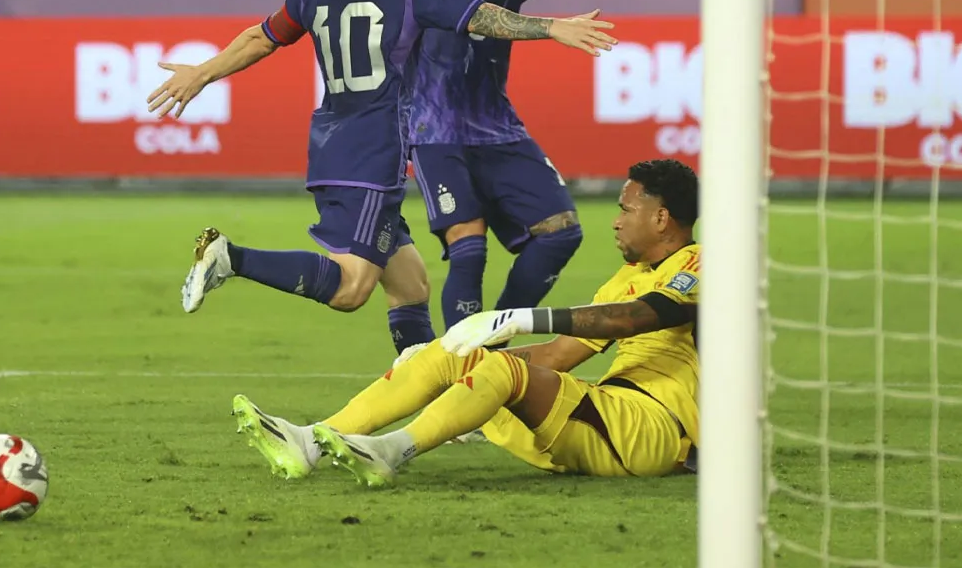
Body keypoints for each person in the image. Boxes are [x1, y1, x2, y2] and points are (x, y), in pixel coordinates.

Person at [146, 0, 617, 356]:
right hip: (373, 153)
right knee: (352, 289)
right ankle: (231, 257)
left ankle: (442, 398)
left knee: (410, 287)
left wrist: (202, 72)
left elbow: (261, 37)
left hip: (332, 143)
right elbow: (480, 18)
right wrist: (552, 26)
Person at [231, 159, 700, 484]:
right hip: (609, 419)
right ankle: (310, 441)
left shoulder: (701, 263)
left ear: (661, 218)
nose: (616, 222)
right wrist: (456, 360)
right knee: (460, 355)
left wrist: (520, 318)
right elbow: (560, 356)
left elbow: (634, 319)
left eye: (626, 209)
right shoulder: (629, 276)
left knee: (497, 368)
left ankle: (392, 451)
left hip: (661, 430)